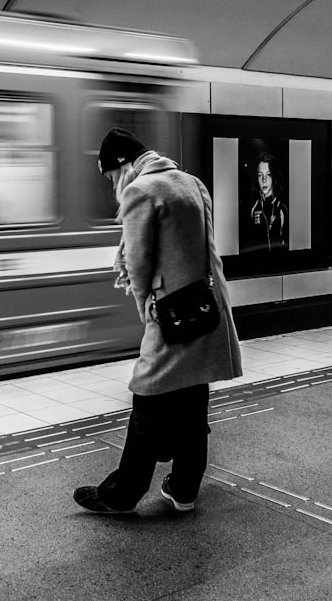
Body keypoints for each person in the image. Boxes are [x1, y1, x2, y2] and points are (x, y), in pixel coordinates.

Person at [73, 128, 243, 515]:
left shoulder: (140, 191)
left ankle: (121, 494)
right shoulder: (191, 183)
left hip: (173, 315)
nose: (115, 185)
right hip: (206, 308)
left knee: (147, 397)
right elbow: (207, 251)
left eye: (111, 177)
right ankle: (184, 489)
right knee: (193, 398)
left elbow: (138, 262)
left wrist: (146, 310)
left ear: (123, 165)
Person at [249, 151, 288, 252]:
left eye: (268, 174)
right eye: (260, 175)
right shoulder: (254, 208)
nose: (264, 180)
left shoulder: (282, 208)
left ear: (274, 177)